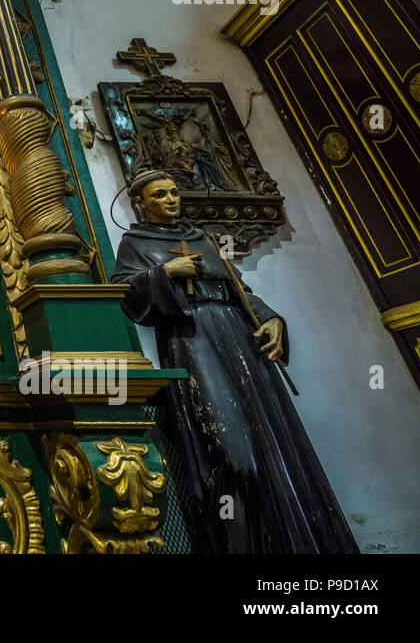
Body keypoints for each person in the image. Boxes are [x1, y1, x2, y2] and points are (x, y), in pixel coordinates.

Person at [109, 169, 358, 553]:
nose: (172, 199)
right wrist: (165, 272)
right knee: (231, 452)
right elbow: (124, 293)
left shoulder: (202, 239)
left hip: (240, 339)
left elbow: (239, 290)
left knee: (272, 445)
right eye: (160, 195)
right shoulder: (134, 244)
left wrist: (271, 318)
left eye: (175, 192)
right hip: (193, 340)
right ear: (140, 203)